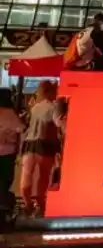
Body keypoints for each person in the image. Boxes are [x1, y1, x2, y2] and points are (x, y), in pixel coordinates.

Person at [18, 81, 62, 217]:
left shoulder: (34, 107)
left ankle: (27, 204)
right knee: (43, 177)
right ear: (50, 92)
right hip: (45, 144)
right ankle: (40, 205)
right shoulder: (53, 106)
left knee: (26, 176)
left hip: (29, 144)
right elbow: (58, 122)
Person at [0, 89, 21, 222]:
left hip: (6, 151)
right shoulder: (11, 114)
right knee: (5, 180)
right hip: (8, 153)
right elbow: (20, 130)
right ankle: (4, 208)